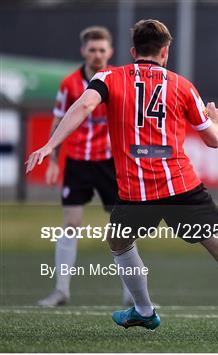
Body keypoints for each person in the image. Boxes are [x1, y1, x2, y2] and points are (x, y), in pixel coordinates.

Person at [26, 19, 218, 341]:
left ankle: (144, 310)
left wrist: (50, 145)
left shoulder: (109, 77)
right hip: (182, 187)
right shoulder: (183, 86)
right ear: (165, 51)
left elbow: (85, 105)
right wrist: (215, 120)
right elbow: (214, 141)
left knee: (118, 242)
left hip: (135, 192)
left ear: (133, 51)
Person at [37, 26, 133, 307]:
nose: (97, 55)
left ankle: (133, 293)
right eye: (92, 49)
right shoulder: (69, 84)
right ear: (83, 51)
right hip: (78, 161)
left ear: (110, 52)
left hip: (110, 163)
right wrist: (53, 159)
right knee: (71, 223)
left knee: (123, 226)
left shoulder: (119, 79)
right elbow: (58, 120)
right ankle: (62, 290)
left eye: (102, 49)